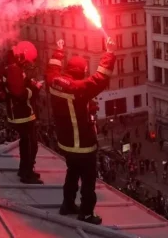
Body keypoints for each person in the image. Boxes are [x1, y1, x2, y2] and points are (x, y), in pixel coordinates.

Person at [45, 37, 116, 225]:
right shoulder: (78, 88)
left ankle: (67, 204)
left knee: (72, 172)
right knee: (88, 180)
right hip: (83, 144)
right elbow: (101, 78)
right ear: (80, 71)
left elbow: (51, 69)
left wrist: (58, 52)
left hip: (66, 143)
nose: (86, 73)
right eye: (84, 71)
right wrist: (109, 52)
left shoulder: (53, 82)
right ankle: (86, 213)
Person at [3, 41, 43, 184]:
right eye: (27, 60)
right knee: (30, 144)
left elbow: (22, 81)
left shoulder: (14, 67)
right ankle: (27, 174)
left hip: (22, 114)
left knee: (27, 143)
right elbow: (19, 93)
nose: (27, 63)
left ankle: (25, 169)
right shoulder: (14, 69)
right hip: (22, 115)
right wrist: (35, 89)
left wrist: (31, 82)